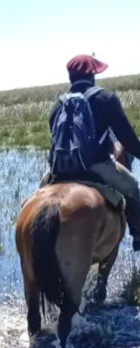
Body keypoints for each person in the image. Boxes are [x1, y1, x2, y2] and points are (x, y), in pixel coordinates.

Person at [47, 54, 140, 251]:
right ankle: (138, 233)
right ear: (92, 75)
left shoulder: (58, 105)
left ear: (70, 77)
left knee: (36, 198)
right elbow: (127, 141)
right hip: (96, 165)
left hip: (59, 169)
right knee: (133, 187)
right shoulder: (106, 98)